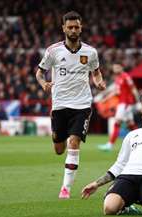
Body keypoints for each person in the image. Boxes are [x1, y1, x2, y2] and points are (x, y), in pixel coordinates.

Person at [36, 11, 106, 199]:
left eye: (77, 27)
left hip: (82, 104)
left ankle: (65, 188)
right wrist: (44, 84)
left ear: (81, 28)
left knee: (74, 141)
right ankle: (61, 138)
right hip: (59, 104)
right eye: (70, 27)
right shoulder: (53, 51)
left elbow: (96, 72)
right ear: (64, 28)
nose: (74, 30)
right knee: (59, 149)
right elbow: (39, 73)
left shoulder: (90, 52)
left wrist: (99, 81)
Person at [98, 63, 140, 151]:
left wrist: (137, 101)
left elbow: (133, 89)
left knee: (117, 123)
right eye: (114, 68)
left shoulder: (126, 76)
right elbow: (117, 92)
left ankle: (110, 145)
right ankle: (141, 141)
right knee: (131, 124)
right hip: (122, 103)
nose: (116, 69)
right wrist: (105, 99)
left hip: (125, 104)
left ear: (122, 67)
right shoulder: (118, 78)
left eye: (117, 67)